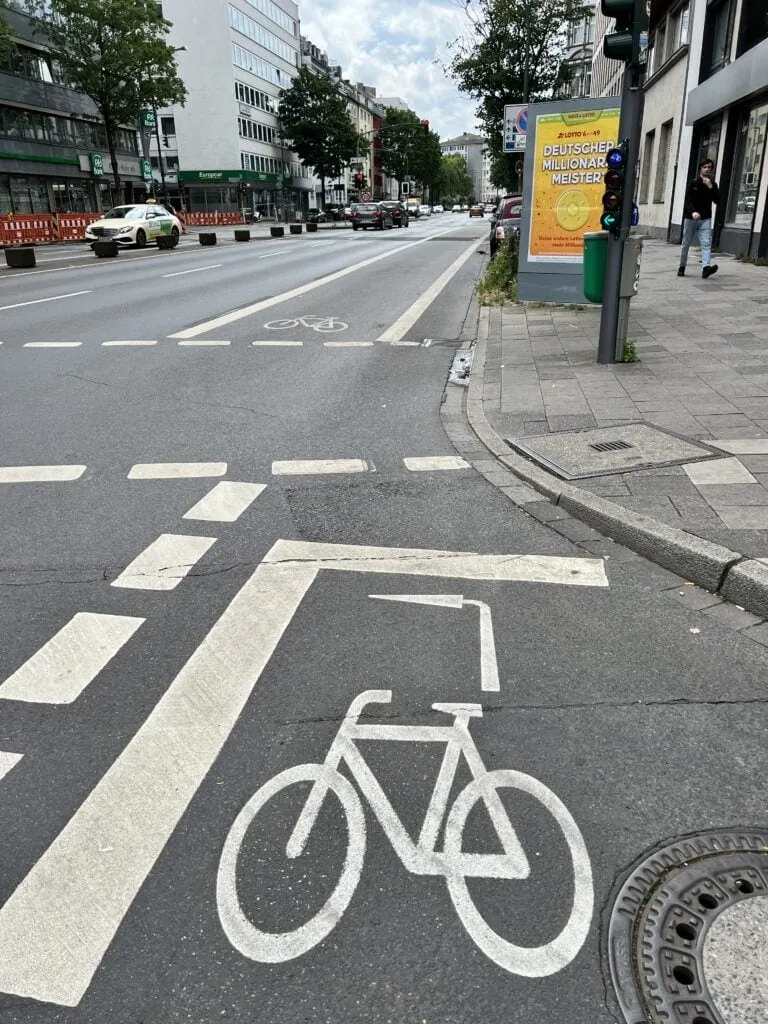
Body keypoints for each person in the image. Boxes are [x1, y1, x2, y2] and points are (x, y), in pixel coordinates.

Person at [679, 158, 720, 279]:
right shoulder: (693, 183)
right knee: (685, 243)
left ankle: (706, 268)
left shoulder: (712, 184)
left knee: (706, 244)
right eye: (705, 167)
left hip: (705, 219)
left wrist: (711, 186)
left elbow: (718, 200)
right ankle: (682, 266)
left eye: (709, 167)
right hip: (691, 218)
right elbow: (687, 201)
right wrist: (692, 212)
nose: (707, 169)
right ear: (700, 169)